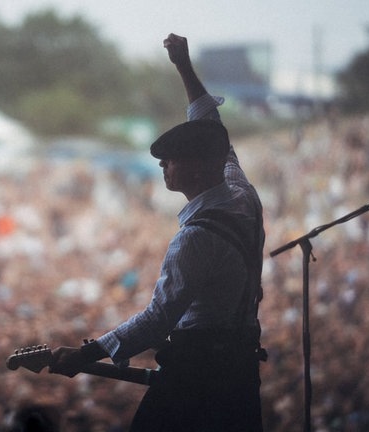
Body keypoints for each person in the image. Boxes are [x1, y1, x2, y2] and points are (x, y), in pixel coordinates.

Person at [49, 33, 267, 431]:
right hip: (241, 371)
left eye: (172, 159)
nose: (163, 165)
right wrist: (183, 65)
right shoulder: (242, 195)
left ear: (199, 168)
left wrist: (87, 354)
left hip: (197, 375)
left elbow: (157, 320)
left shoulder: (196, 237)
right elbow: (210, 124)